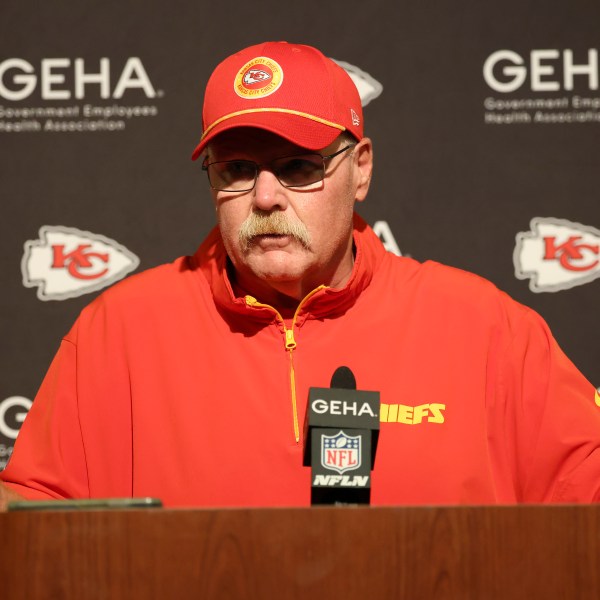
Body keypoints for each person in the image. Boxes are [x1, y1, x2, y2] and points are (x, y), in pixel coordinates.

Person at [1, 41, 599, 511]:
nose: (265, 197)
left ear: (360, 169)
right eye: (236, 168)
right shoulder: (117, 333)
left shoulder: (486, 328)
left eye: (297, 167)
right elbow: (33, 525)